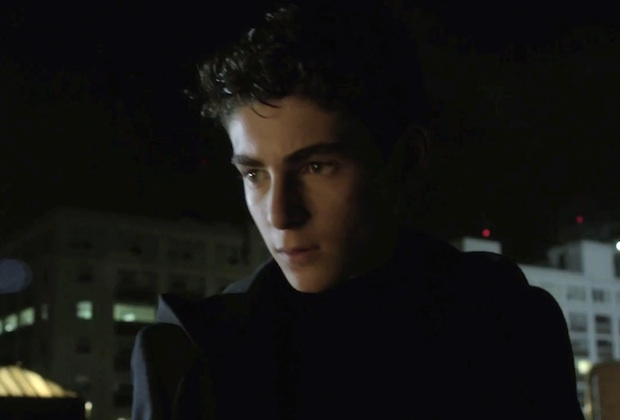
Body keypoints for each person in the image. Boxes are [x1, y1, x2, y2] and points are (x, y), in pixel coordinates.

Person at [131, 2, 585, 419]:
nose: (281, 214)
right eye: (254, 174)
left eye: (316, 167)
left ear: (406, 159)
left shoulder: (507, 324)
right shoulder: (192, 352)